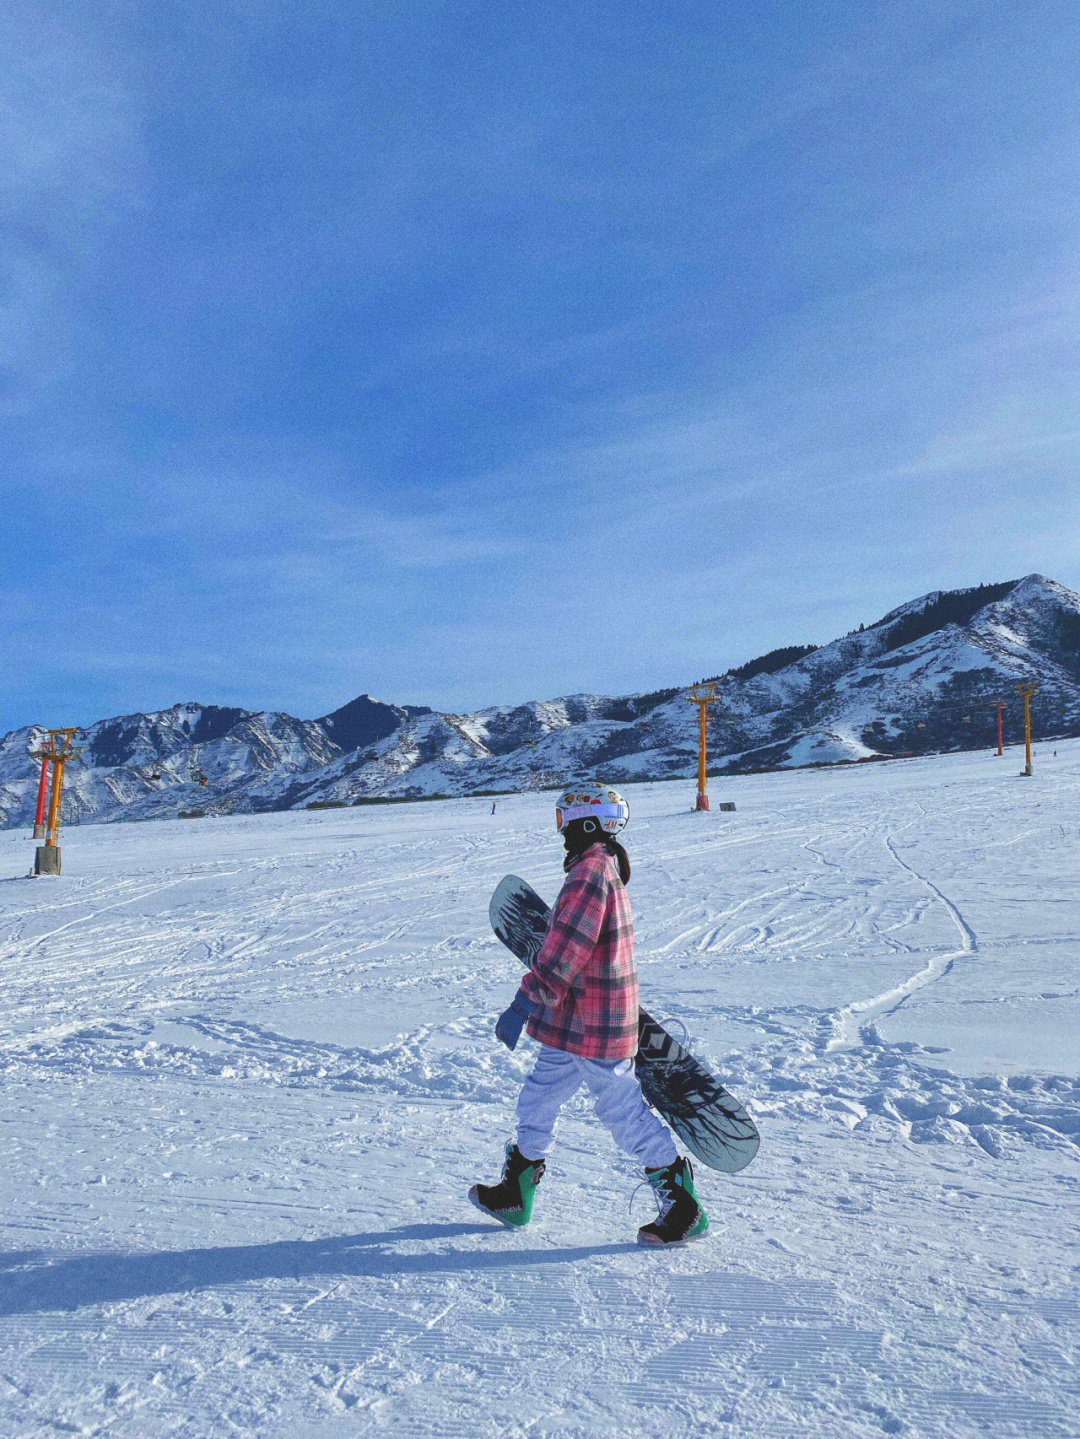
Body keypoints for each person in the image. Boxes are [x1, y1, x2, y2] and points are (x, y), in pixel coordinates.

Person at [469, 782, 708, 1246]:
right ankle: (517, 1194)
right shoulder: (597, 869)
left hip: (592, 1023)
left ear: (589, 824)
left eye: (565, 821)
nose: (561, 832)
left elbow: (563, 954)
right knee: (537, 1098)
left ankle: (683, 1205)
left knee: (620, 1110)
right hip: (570, 1021)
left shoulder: (590, 875)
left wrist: (523, 1003)